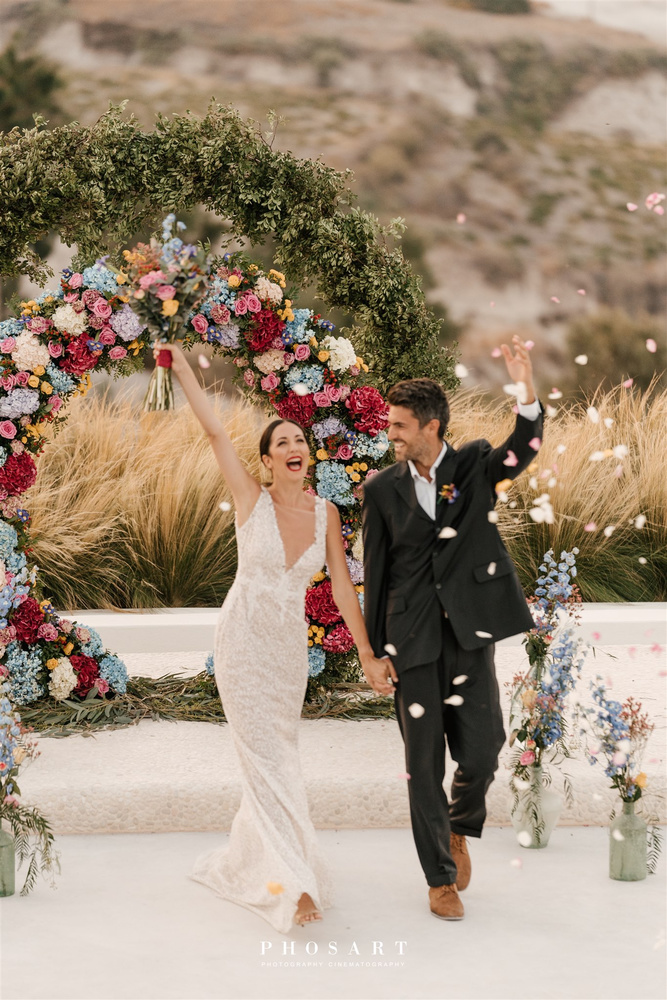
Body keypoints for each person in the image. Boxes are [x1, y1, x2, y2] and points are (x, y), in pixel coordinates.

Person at [156, 342, 388, 933]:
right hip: (241, 640)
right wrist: (182, 368)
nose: (294, 448)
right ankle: (294, 882)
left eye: (300, 443)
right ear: (265, 460)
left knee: (279, 754)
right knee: (261, 758)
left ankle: (256, 860)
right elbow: (213, 435)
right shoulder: (250, 499)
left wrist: (365, 652)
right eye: (281, 442)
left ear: (308, 460)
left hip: (286, 651)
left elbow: (341, 588)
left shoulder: (325, 515)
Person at [361, 336, 543, 921]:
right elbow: (377, 575)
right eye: (391, 425)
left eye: (401, 426)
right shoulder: (382, 490)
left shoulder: (472, 467)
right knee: (423, 766)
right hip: (409, 643)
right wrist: (372, 653)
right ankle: (440, 878)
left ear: (432, 427)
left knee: (486, 748)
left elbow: (524, 449)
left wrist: (526, 390)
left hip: (469, 636)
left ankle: (461, 825)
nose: (392, 434)